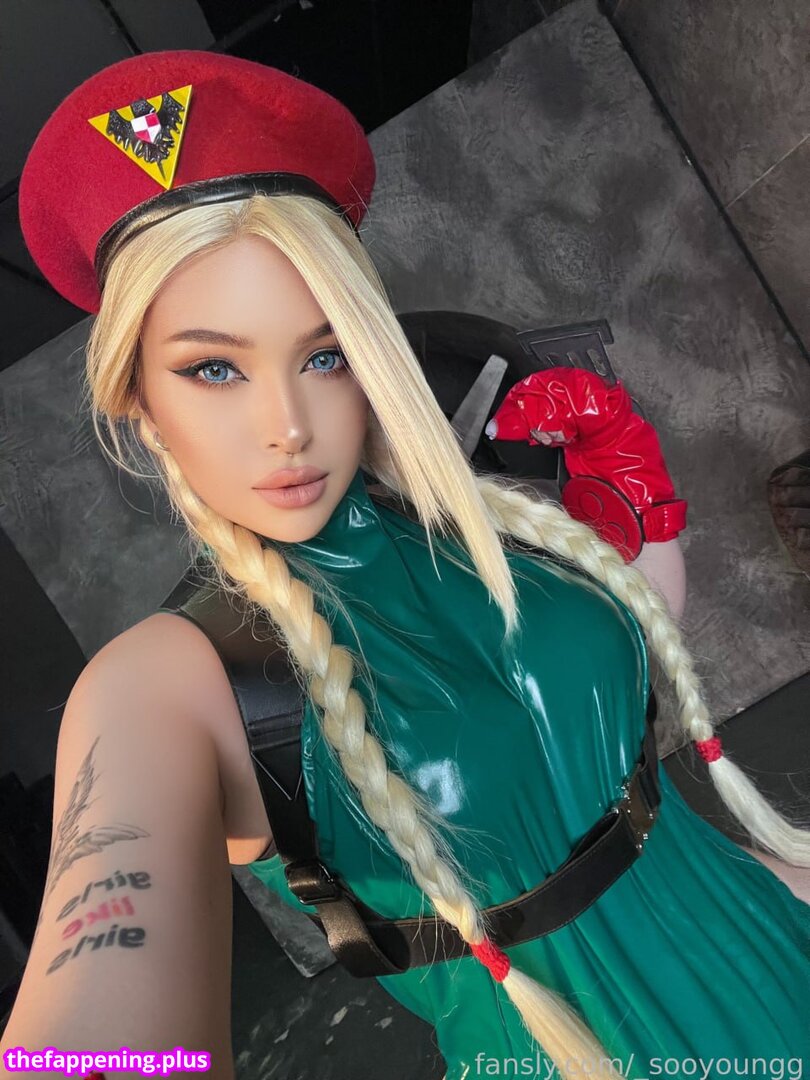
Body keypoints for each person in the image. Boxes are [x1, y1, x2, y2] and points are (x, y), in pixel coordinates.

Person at [3, 49, 809, 1080]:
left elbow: (619, 770)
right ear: (137, 396)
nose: (287, 425)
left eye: (325, 354)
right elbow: (91, 1029)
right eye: (212, 368)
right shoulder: (165, 686)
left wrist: (640, 518)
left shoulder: (490, 526)